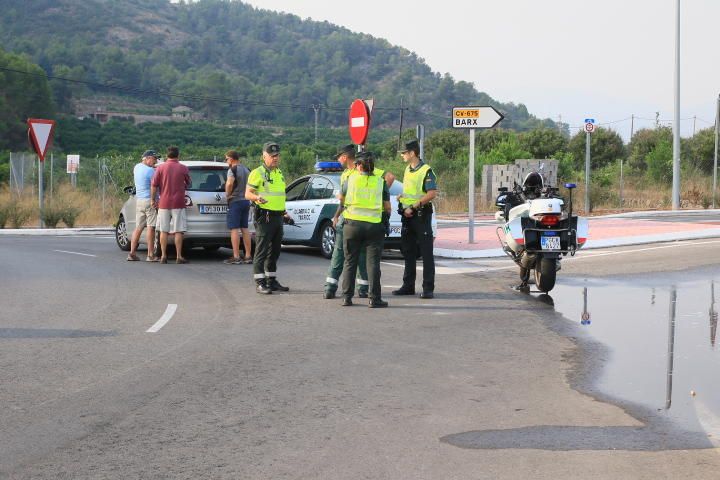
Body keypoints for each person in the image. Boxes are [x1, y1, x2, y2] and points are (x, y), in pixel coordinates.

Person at [324, 145, 396, 299]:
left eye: (339, 157)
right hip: (361, 221)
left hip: (352, 221)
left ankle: (355, 291)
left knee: (353, 258)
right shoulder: (347, 174)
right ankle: (332, 287)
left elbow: (389, 177)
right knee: (348, 256)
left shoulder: (369, 172)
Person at [337, 151, 391, 308]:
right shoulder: (380, 182)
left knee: (350, 262)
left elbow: (341, 199)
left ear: (358, 166)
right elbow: (387, 208)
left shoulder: (349, 179)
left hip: (352, 225)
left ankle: (346, 297)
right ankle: (374, 299)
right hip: (374, 227)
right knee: (373, 263)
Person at [245, 142, 295, 294]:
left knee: (275, 251)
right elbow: (247, 194)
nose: (275, 158)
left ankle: (271, 280)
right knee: (261, 251)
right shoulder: (257, 172)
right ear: (264, 156)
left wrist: (285, 212)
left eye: (277, 155)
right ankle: (260, 282)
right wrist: (257, 198)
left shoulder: (279, 173)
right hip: (265, 217)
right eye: (272, 156)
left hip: (278, 216)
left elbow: (278, 197)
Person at [393, 139, 438, 299]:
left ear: (412, 153)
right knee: (408, 251)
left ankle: (428, 288)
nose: (402, 156)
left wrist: (414, 206)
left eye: (404, 153)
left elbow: (431, 193)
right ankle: (408, 286)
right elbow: (410, 191)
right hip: (407, 216)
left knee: (426, 252)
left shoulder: (426, 170)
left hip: (421, 215)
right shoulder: (407, 169)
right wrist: (402, 198)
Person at [151, 146, 191, 264]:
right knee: (178, 230)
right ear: (178, 155)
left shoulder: (160, 168)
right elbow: (188, 183)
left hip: (163, 203)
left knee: (163, 230)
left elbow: (154, 185)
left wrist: (153, 200)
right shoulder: (183, 168)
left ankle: (163, 256)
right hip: (178, 203)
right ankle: (179, 256)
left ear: (167, 155)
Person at [127, 150, 159, 262]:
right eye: (154, 159)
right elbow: (155, 185)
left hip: (139, 200)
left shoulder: (136, 167)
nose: (155, 161)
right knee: (151, 227)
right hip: (149, 201)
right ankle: (150, 255)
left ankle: (132, 253)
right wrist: (154, 200)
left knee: (139, 227)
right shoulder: (150, 171)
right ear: (148, 158)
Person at [223, 150, 252, 265]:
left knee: (234, 229)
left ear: (231, 158)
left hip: (235, 201)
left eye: (226, 159)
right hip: (246, 201)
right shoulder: (246, 169)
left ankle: (236, 256)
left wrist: (228, 195)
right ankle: (248, 255)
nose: (226, 161)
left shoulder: (232, 170)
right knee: (245, 228)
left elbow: (230, 183)